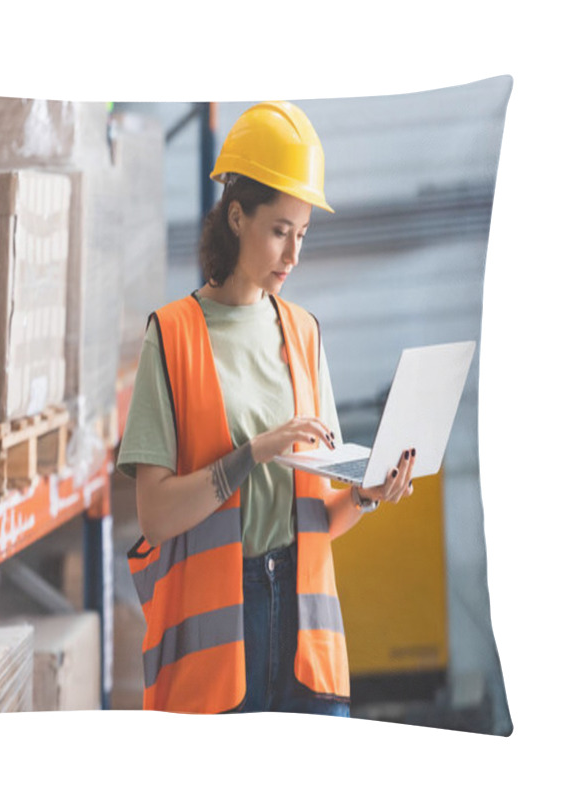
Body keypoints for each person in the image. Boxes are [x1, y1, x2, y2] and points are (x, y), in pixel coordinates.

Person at [117, 101, 415, 716]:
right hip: (219, 654)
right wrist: (254, 453)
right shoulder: (171, 337)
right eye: (280, 230)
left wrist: (364, 494)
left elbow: (318, 518)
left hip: (306, 636)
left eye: (302, 234)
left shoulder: (304, 334)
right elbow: (155, 516)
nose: (294, 254)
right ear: (236, 217)